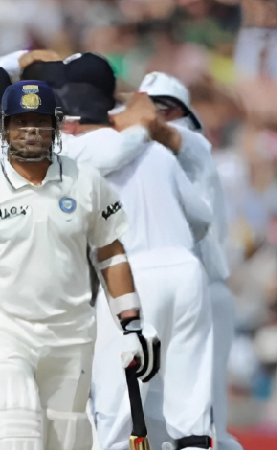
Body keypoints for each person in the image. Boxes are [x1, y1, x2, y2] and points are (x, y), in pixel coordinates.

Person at [0, 80, 160, 450]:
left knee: (68, 442)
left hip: (70, 335)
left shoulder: (85, 181)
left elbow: (111, 253)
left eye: (40, 121)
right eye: (21, 122)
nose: (31, 131)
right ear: (4, 127)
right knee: (14, 437)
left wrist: (132, 323)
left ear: (56, 126)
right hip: (4, 335)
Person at [55, 60, 216, 450]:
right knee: (191, 414)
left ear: (72, 123)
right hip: (186, 270)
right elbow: (201, 220)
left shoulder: (73, 154)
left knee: (117, 410)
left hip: (130, 280)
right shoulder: (158, 152)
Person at [139, 72, 243, 450]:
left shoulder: (193, 143)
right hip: (166, 290)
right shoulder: (143, 150)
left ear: (173, 110)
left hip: (204, 291)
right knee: (153, 413)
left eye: (152, 108)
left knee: (205, 419)